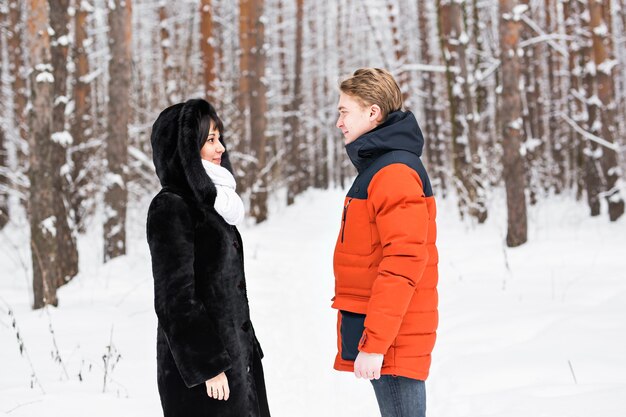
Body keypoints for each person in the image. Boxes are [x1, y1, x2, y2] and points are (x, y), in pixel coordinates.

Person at [146, 98, 270, 417]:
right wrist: (208, 365)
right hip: (205, 375)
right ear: (185, 149)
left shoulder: (215, 205)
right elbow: (175, 300)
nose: (221, 149)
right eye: (210, 140)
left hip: (236, 362)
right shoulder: (171, 206)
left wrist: (247, 347)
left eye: (219, 138)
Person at [332, 68, 438, 417]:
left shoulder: (393, 173)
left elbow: (403, 262)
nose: (339, 122)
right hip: (391, 336)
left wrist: (375, 343)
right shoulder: (381, 168)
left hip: (394, 341)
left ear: (373, 112)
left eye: (344, 111)